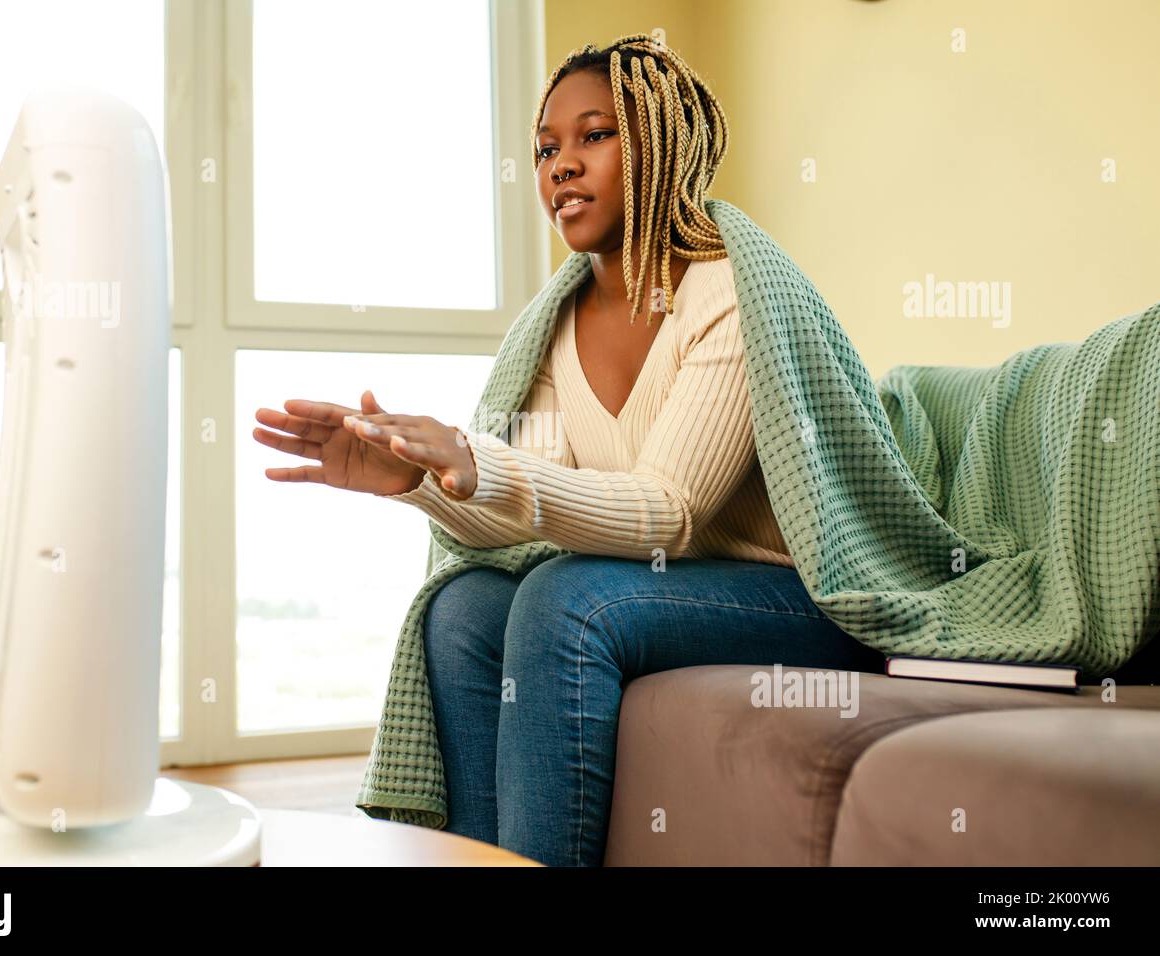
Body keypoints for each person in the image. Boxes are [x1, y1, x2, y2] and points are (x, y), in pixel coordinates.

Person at [251, 35, 885, 867]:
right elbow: (529, 506)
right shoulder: (555, 329)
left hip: (803, 603)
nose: (560, 166)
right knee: (463, 608)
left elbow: (668, 512)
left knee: (564, 599)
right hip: (677, 591)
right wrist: (420, 478)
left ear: (659, 146)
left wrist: (480, 460)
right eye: (547, 148)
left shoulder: (729, 291)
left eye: (594, 136)